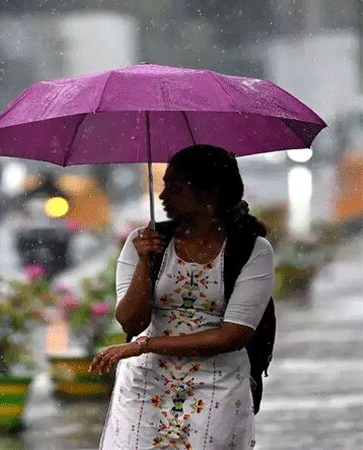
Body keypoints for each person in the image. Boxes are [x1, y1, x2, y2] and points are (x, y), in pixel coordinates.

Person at [91, 145, 274, 449]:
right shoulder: (144, 243)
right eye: (163, 187)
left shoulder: (251, 251)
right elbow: (131, 321)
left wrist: (145, 346)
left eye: (174, 188)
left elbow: (233, 335)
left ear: (209, 193)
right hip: (144, 390)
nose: (162, 197)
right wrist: (146, 264)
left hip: (217, 389)